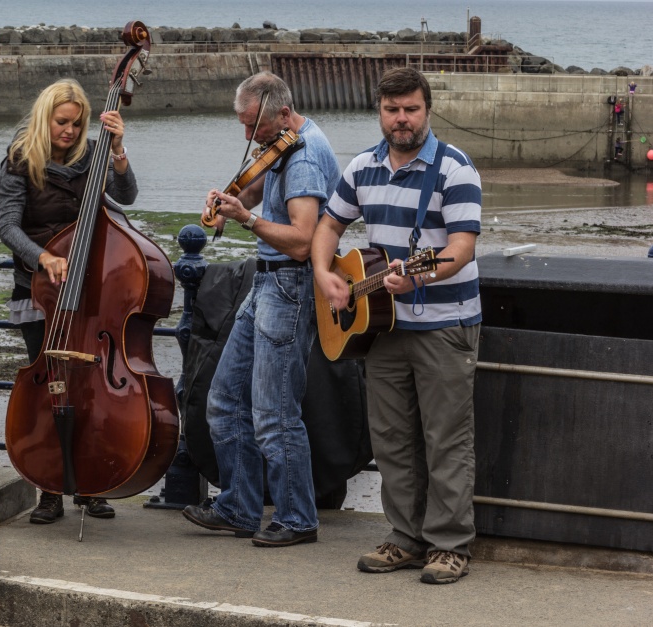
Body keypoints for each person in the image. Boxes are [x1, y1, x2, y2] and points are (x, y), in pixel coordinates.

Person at [312, 67, 482, 584]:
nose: (401, 119)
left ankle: (450, 545)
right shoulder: (362, 166)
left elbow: (460, 248)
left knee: (446, 438)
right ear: (380, 112)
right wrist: (325, 273)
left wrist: (419, 279)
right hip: (381, 328)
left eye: (410, 108)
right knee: (391, 438)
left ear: (427, 109)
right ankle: (405, 538)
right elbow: (329, 224)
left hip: (444, 325)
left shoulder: (456, 169)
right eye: (392, 110)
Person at [182, 71, 340, 548]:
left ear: (283, 114)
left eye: (254, 126)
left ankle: (297, 518)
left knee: (274, 413)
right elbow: (254, 191)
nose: (248, 136)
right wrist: (232, 199)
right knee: (225, 398)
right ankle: (240, 506)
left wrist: (246, 220)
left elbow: (301, 241)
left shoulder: (305, 155)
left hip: (289, 285)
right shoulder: (282, 143)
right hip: (266, 284)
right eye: (244, 125)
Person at [0, 78, 136, 524]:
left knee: (91, 390)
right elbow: (8, 226)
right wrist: (43, 257)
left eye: (77, 123)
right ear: (45, 118)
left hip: (90, 292)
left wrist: (116, 152)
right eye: (62, 122)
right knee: (53, 386)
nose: (71, 131)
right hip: (40, 291)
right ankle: (51, 487)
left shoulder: (92, 154)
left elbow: (127, 198)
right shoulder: (21, 159)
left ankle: (91, 484)